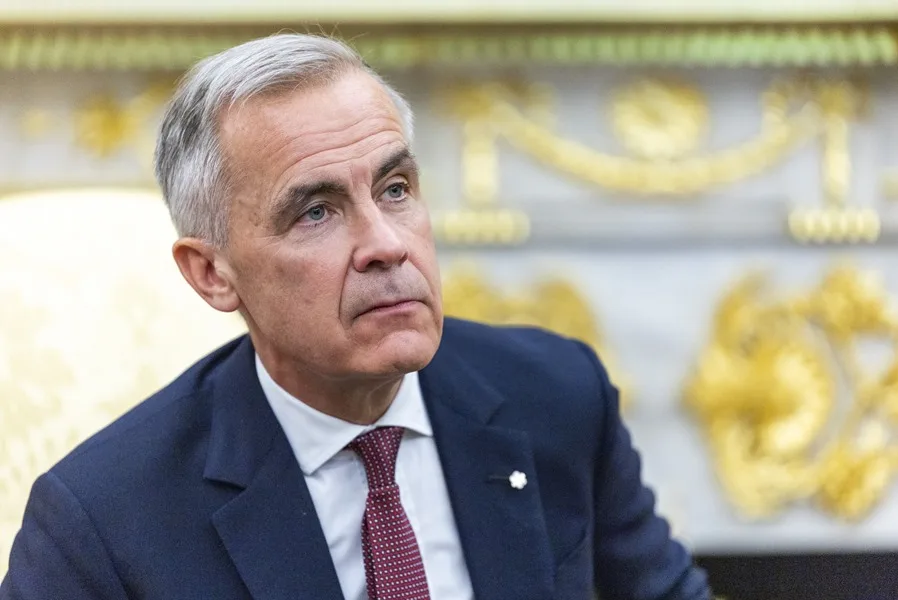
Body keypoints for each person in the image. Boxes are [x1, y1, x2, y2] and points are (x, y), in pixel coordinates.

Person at [0, 33, 711, 600]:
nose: (387, 244)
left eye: (395, 188)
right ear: (213, 274)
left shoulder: (555, 393)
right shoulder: (102, 523)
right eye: (316, 212)